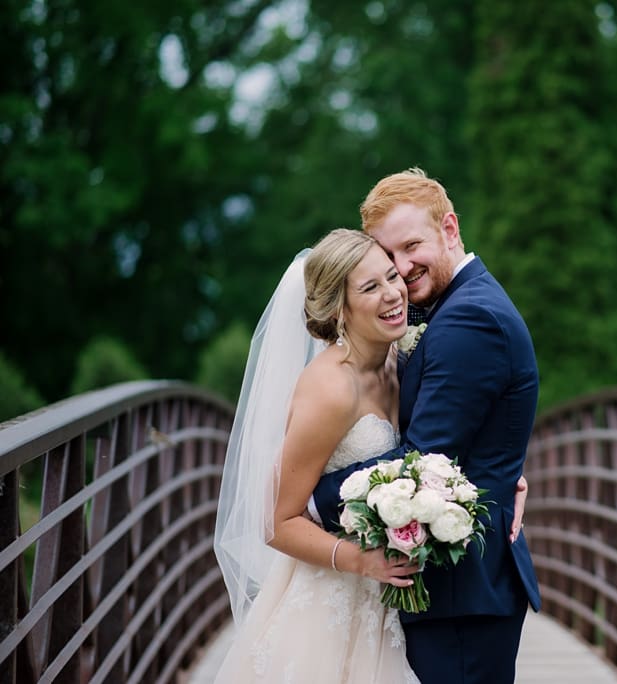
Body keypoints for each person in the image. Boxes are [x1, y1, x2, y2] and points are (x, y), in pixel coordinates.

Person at [311, 168, 542, 684]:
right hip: (453, 589)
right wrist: (505, 467)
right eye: (388, 256)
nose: (402, 268)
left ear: (450, 228)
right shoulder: (449, 308)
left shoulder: (468, 318)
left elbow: (423, 456)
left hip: (462, 593)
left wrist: (309, 500)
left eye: (412, 245)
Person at [213, 229, 423, 682]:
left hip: (383, 601)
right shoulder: (331, 389)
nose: (393, 294)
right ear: (338, 311)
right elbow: (276, 521)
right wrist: (362, 561)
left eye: (392, 276)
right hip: (329, 601)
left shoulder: (396, 359)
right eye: (370, 288)